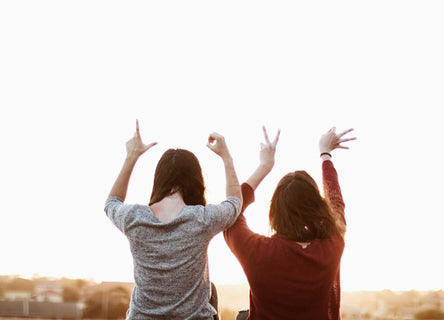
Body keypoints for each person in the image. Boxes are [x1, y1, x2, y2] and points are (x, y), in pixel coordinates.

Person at [104, 120, 243, 320]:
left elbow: (111, 202)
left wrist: (131, 157)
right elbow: (234, 203)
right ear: (196, 181)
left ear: (158, 180)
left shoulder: (133, 218)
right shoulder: (201, 219)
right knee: (211, 292)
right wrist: (226, 157)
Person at [224, 126, 356, 320]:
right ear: (317, 207)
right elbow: (336, 203)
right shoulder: (330, 247)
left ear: (275, 210)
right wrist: (325, 154)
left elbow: (231, 213)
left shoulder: (258, 251)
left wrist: (264, 166)